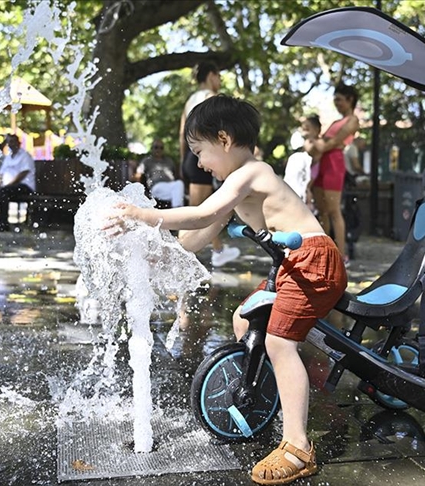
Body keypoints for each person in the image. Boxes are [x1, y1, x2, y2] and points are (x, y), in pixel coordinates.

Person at [109, 95, 347, 485]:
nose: (199, 163)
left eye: (200, 152)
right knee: (243, 321)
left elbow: (201, 213)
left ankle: (298, 445)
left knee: (278, 342)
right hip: (291, 265)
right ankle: (265, 394)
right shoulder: (236, 185)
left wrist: (142, 215)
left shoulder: (253, 172)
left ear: (223, 138)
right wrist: (156, 254)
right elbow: (198, 235)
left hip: (314, 261)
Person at [179, 61, 240, 267]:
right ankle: (186, 253)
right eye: (219, 77)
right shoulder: (210, 99)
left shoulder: (190, 100)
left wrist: (184, 161)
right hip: (204, 156)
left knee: (200, 208)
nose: (220, 81)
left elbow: (182, 134)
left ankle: (213, 250)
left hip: (191, 156)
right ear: (211, 75)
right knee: (199, 211)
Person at [310, 83, 360, 263]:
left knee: (334, 211)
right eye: (335, 100)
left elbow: (330, 143)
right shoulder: (335, 122)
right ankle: (325, 251)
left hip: (334, 163)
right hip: (321, 163)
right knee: (322, 211)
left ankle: (341, 255)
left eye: (339, 99)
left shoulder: (352, 120)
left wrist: (320, 144)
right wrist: (320, 145)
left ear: (350, 99)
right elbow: (321, 144)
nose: (336, 103)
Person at [0, 134, 36, 232]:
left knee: (3, 191)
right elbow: (2, 174)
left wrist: (8, 184)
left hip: (25, 186)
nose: (10, 144)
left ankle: (3, 224)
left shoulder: (25, 156)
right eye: (9, 142)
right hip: (9, 186)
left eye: (12, 142)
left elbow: (23, 174)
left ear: (18, 143)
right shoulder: (8, 157)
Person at [283, 115, 321, 212]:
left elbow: (312, 158)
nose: (304, 132)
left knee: (305, 190)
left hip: (311, 171)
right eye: (303, 129)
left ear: (316, 130)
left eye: (307, 129)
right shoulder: (304, 143)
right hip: (303, 171)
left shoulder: (315, 143)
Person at [132, 139, 185, 208]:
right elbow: (138, 175)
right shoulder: (147, 161)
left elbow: (176, 175)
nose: (158, 150)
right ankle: (178, 212)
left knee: (178, 186)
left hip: (171, 187)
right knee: (179, 188)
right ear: (152, 148)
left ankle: (176, 211)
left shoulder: (169, 161)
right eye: (156, 147)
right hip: (156, 187)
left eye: (161, 148)